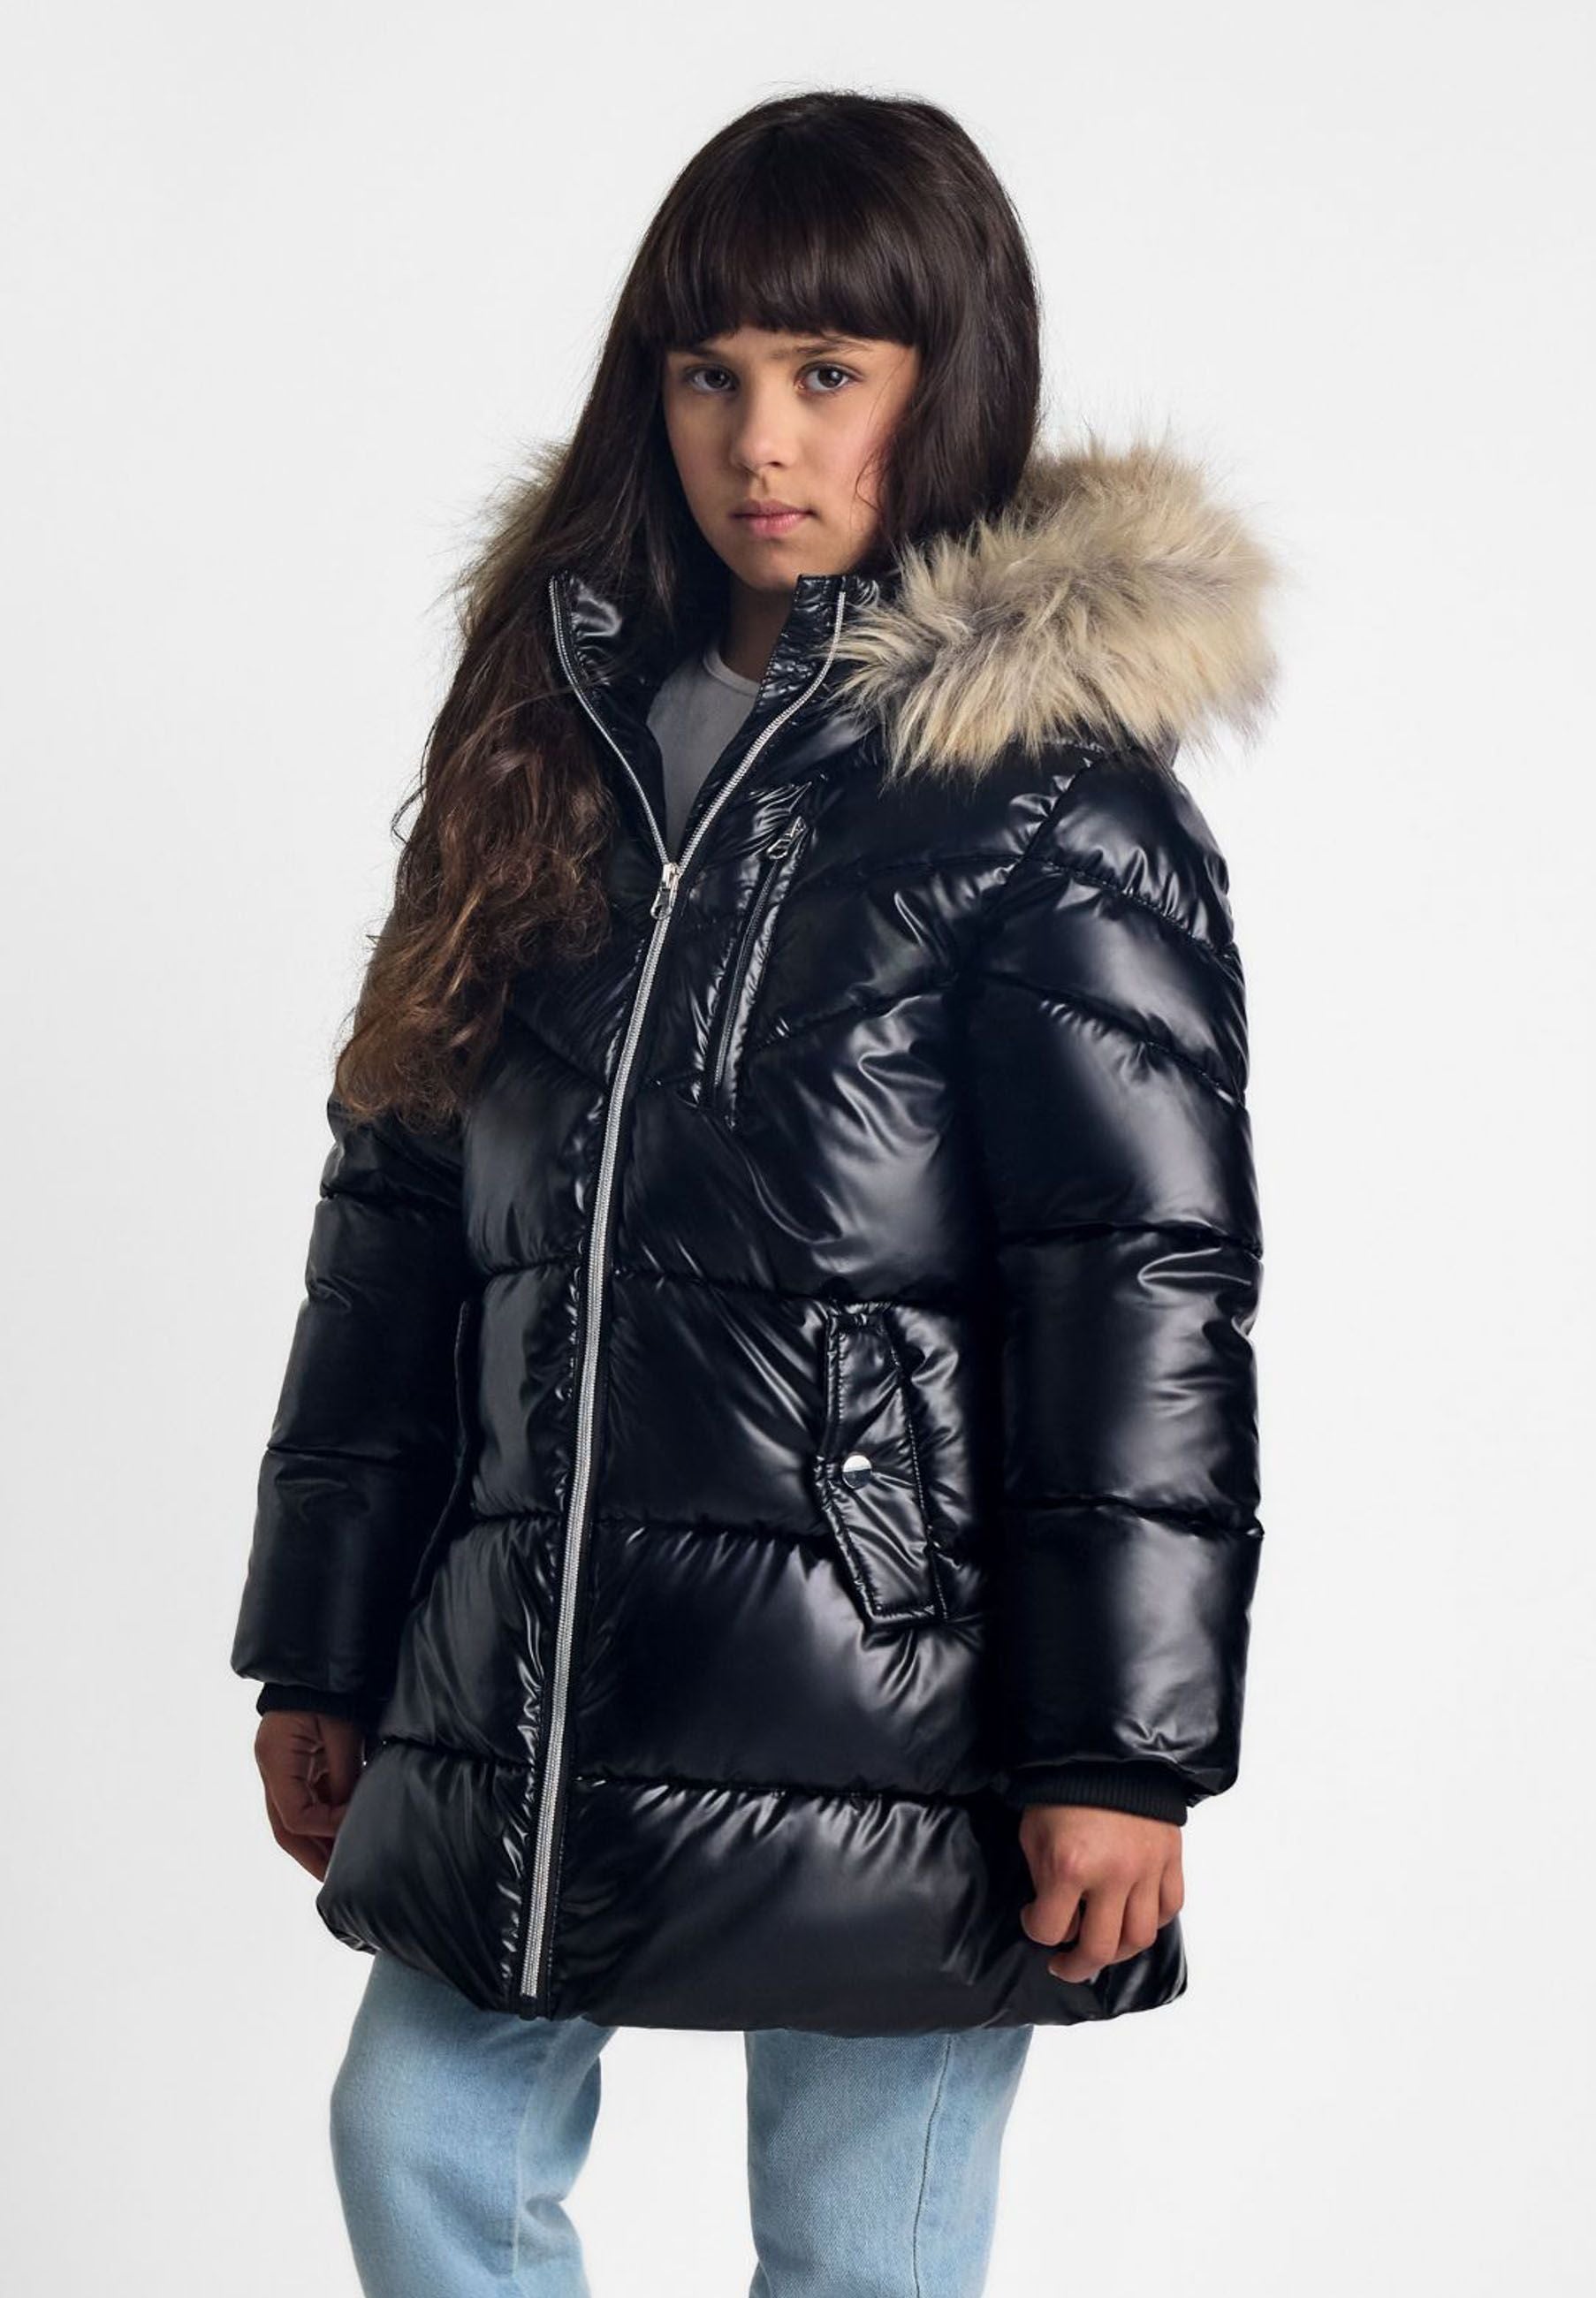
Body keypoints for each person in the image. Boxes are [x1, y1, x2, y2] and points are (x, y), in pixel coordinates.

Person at [232, 88, 1281, 2298]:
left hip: (910, 1677)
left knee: (859, 2253)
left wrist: (1123, 1750)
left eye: (828, 372)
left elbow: (1139, 1290)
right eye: (708, 374)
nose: (761, 442)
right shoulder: (547, 734)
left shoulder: (1043, 799)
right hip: (537, 1662)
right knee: (418, 2133)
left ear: (949, 381)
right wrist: (322, 1637)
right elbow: (397, 1218)